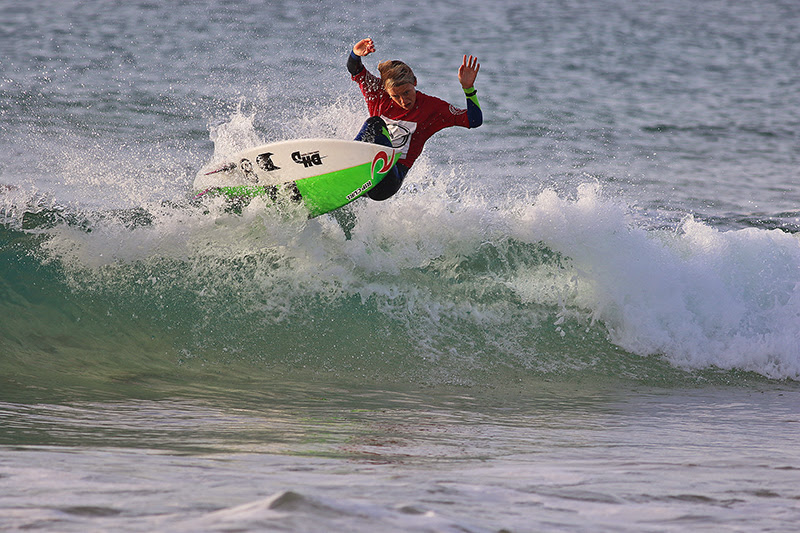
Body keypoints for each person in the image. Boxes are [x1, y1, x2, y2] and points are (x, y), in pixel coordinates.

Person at [347, 38, 483, 201]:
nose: (403, 101)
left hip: (388, 182)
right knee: (374, 124)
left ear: (415, 83)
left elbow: (473, 121)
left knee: (375, 123)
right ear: (386, 91)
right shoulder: (377, 93)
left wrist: (468, 88)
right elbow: (355, 70)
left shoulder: (431, 108)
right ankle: (344, 170)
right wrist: (355, 54)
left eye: (406, 92)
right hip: (366, 173)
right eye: (395, 96)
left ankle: (347, 169)